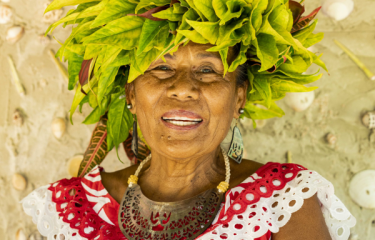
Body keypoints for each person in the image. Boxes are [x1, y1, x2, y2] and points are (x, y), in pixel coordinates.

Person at [21, 0, 356, 239]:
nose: (183, 89)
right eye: (161, 68)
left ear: (238, 97)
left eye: (208, 70)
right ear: (131, 95)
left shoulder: (283, 198)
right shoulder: (70, 208)